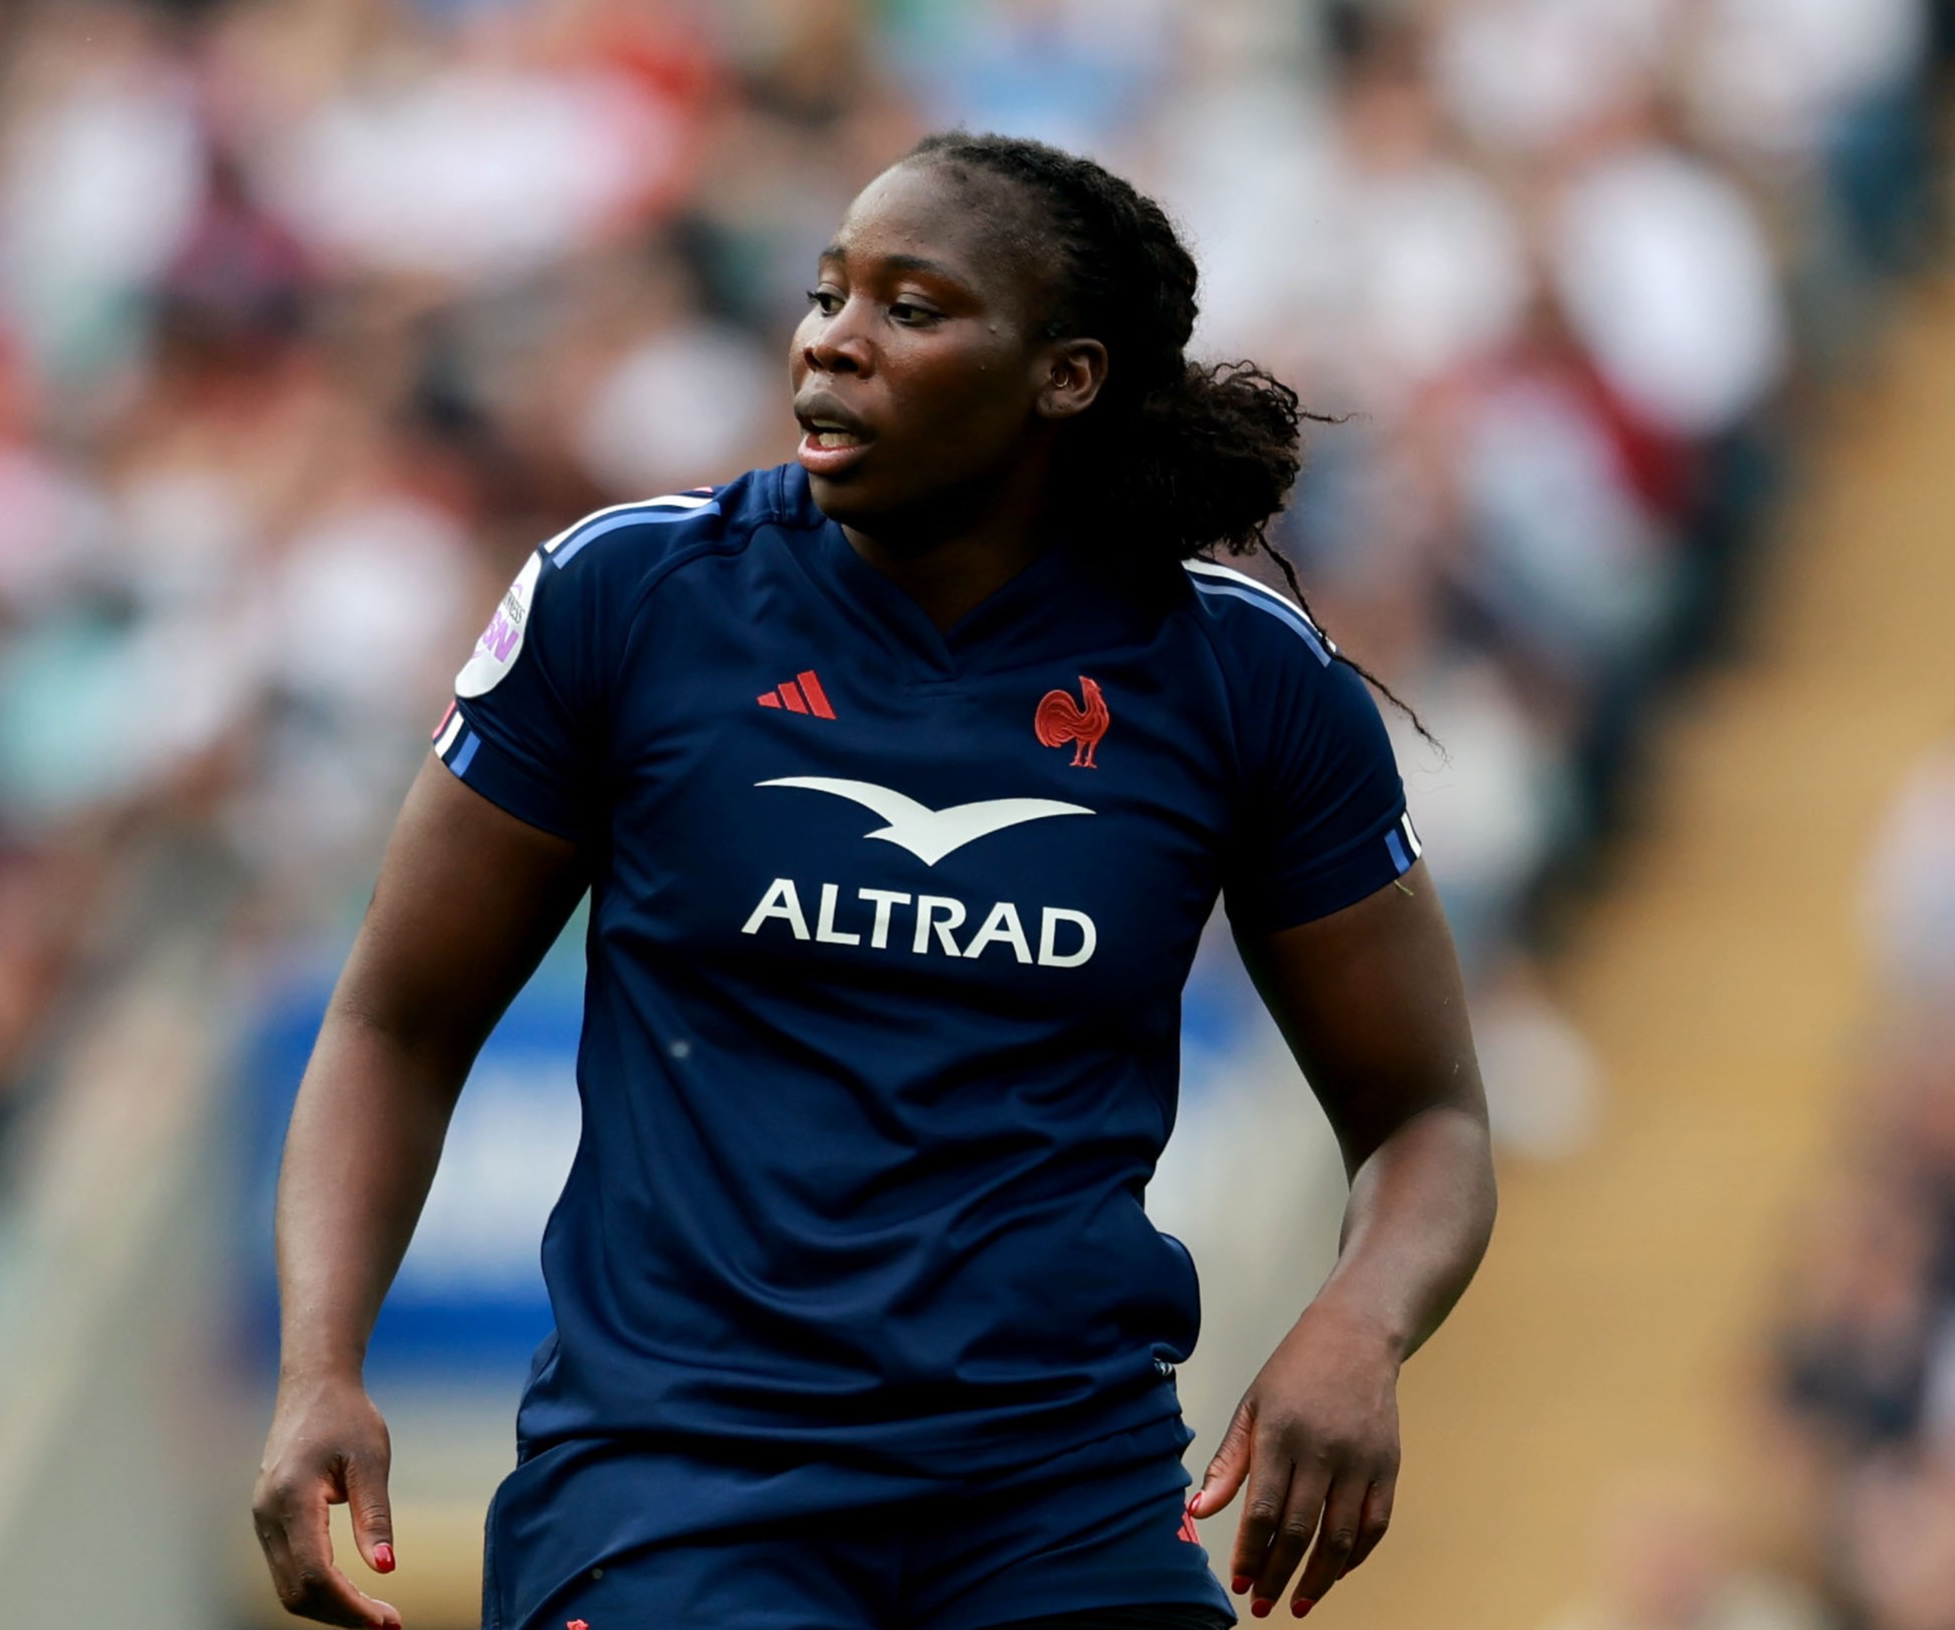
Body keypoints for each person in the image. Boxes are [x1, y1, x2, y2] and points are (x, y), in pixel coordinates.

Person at [250, 132, 1498, 1630]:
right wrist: (319, 1364)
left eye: (910, 308)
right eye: (828, 292)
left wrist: (1360, 1324)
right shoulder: (629, 601)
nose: (832, 337)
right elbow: (393, 1021)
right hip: (678, 1491)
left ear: (1066, 377)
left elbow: (1427, 1116)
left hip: (1062, 1500)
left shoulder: (1243, 678)